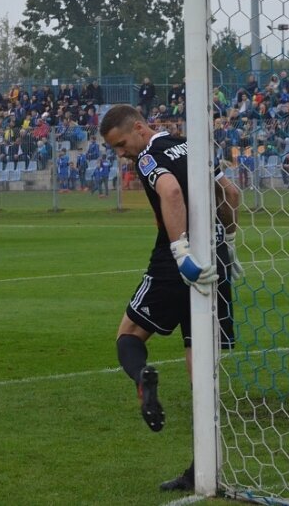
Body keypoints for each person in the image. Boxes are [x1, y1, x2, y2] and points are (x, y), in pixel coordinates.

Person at [99, 104, 242, 492]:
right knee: (202, 371)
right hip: (215, 259)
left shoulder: (149, 156)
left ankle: (141, 378)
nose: (122, 153)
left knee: (128, 336)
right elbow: (229, 191)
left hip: (178, 262)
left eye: (122, 144)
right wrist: (227, 241)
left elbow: (171, 190)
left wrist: (181, 252)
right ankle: (203, 471)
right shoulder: (192, 146)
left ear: (140, 129)